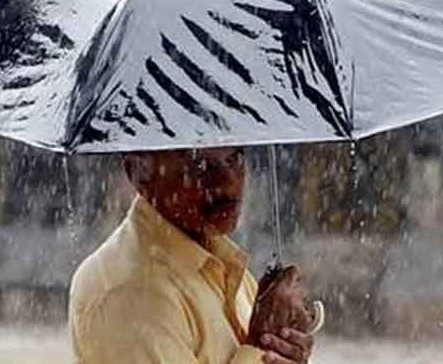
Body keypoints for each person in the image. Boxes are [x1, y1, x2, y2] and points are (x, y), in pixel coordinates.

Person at [69, 147, 317, 364]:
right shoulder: (127, 294)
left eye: (234, 158)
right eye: (201, 165)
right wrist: (262, 347)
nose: (229, 183)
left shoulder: (220, 260)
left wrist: (280, 346)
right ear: (139, 171)